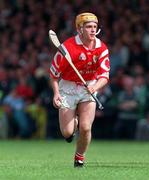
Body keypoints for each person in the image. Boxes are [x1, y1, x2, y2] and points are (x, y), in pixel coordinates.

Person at [49, 12, 110, 167]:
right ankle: (73, 121)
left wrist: (94, 86)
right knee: (68, 133)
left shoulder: (101, 48)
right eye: (88, 26)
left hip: (89, 86)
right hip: (67, 88)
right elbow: (54, 75)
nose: (92, 30)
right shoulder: (67, 48)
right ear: (79, 29)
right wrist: (56, 93)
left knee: (86, 127)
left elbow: (105, 75)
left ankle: (79, 157)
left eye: (94, 27)